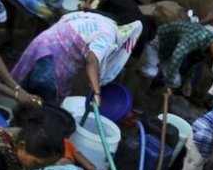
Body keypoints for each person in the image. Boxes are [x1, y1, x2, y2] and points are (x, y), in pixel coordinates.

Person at [10, 11, 145, 107]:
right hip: (51, 66)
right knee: (43, 110)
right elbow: (92, 60)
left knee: (22, 97)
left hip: (39, 47)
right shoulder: (109, 35)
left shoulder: (99, 20)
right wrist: (97, 93)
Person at [151, 20, 213, 93]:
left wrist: (188, 82)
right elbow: (177, 56)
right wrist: (168, 85)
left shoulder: (208, 46)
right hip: (159, 42)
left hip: (170, 51)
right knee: (150, 72)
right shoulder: (198, 38)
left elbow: (195, 63)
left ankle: (155, 87)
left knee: (176, 81)